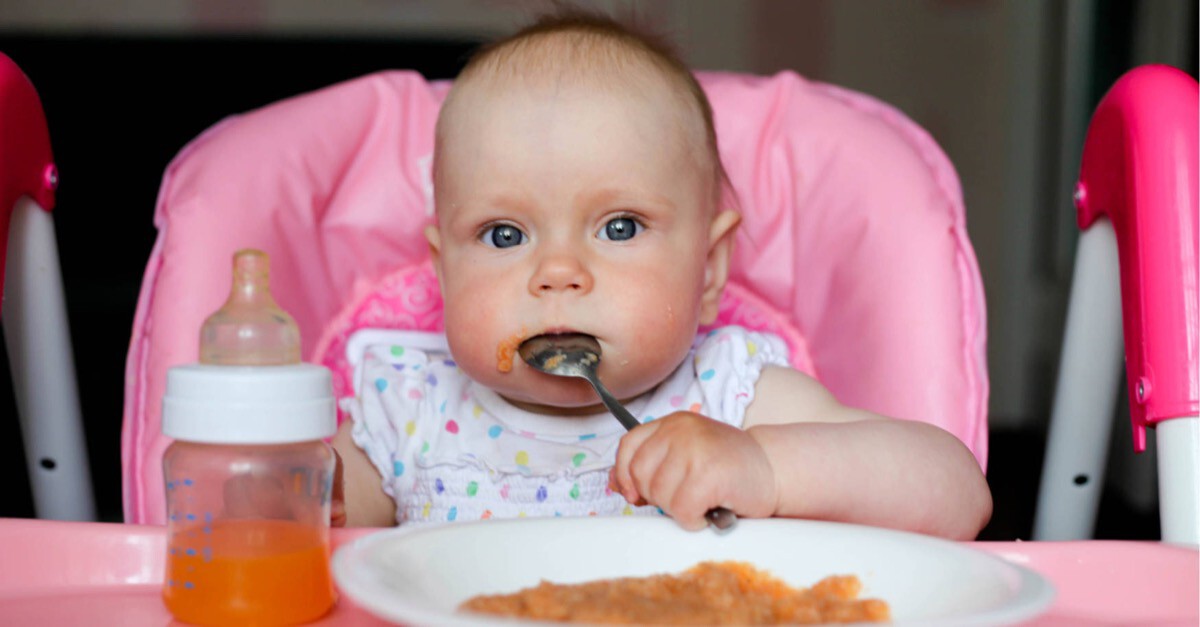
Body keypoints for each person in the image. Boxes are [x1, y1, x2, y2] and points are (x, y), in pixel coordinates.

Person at [329, 8, 993, 540]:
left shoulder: (729, 398)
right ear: (445, 275)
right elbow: (303, 532)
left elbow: (958, 495)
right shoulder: (405, 410)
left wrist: (765, 466)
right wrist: (289, 489)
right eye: (504, 235)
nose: (558, 272)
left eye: (620, 226)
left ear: (708, 271)